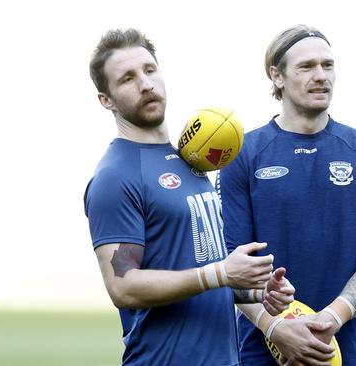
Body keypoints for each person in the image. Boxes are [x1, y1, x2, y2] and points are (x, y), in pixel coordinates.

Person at [83, 28, 295, 366]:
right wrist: (223, 273)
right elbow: (122, 286)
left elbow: (197, 270)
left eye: (149, 70)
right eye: (127, 78)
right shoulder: (116, 176)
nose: (145, 84)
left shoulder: (189, 161)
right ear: (106, 99)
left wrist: (254, 289)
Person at [218, 24, 356, 366]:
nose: (321, 76)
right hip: (260, 352)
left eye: (327, 65)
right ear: (277, 76)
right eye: (306, 67)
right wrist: (275, 327)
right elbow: (228, 260)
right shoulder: (241, 155)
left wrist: (330, 318)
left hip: (342, 349)